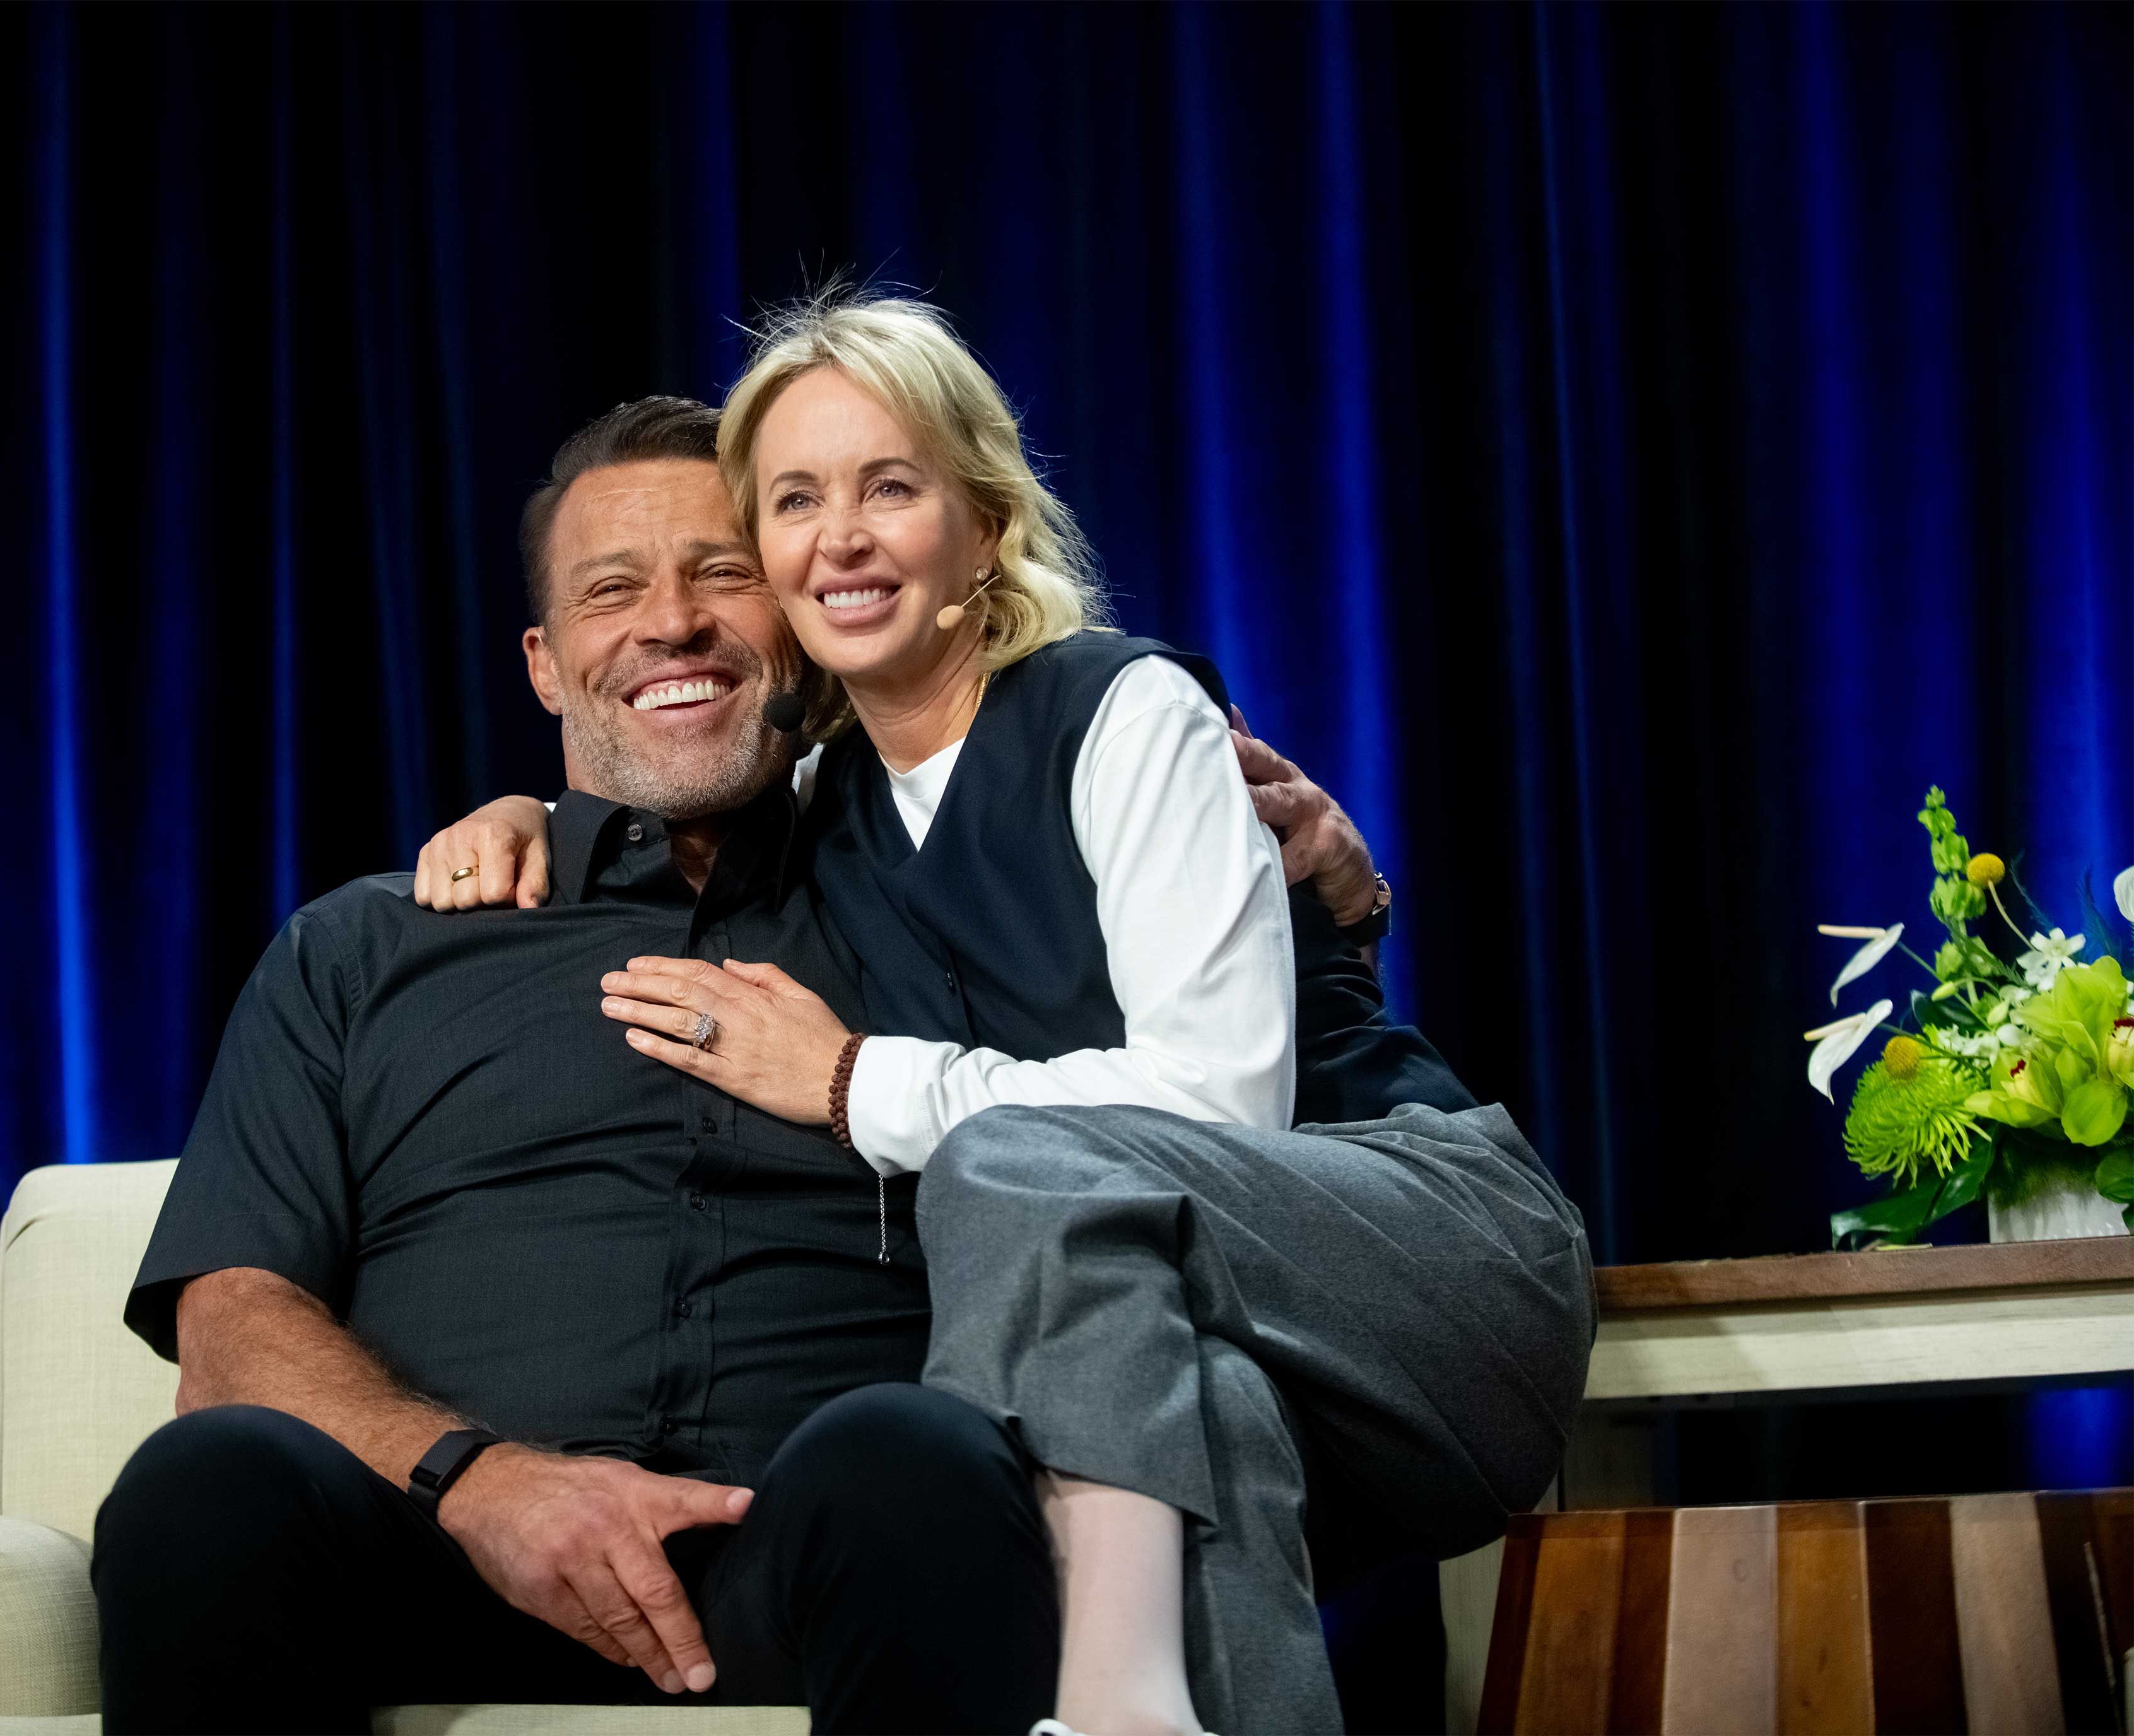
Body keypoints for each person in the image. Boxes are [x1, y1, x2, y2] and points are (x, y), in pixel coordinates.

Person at [416, 293, 1593, 1736]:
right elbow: (663, 798)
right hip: (1207, 1346)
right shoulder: (819, 807)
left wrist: (856, 1080)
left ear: (981, 525)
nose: (839, 535)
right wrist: (532, 811)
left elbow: (1218, 1104)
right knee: (1183, 1420)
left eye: (890, 486)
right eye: (794, 501)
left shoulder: (1122, 710)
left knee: (1013, 1168)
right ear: (767, 569)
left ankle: (1100, 1707)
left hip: (1421, 1270)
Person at [93, 395, 1339, 1736]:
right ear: (546, 665)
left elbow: (1200, 1095)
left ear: (801, 628)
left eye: (724, 574)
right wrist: (485, 1478)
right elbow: (227, 1331)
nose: (672, 622)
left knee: (916, 1457)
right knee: (204, 1480)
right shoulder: (365, 946)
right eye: (612, 589)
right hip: (440, 1549)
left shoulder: (936, 906)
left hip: (809, 1552)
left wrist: (1338, 900)